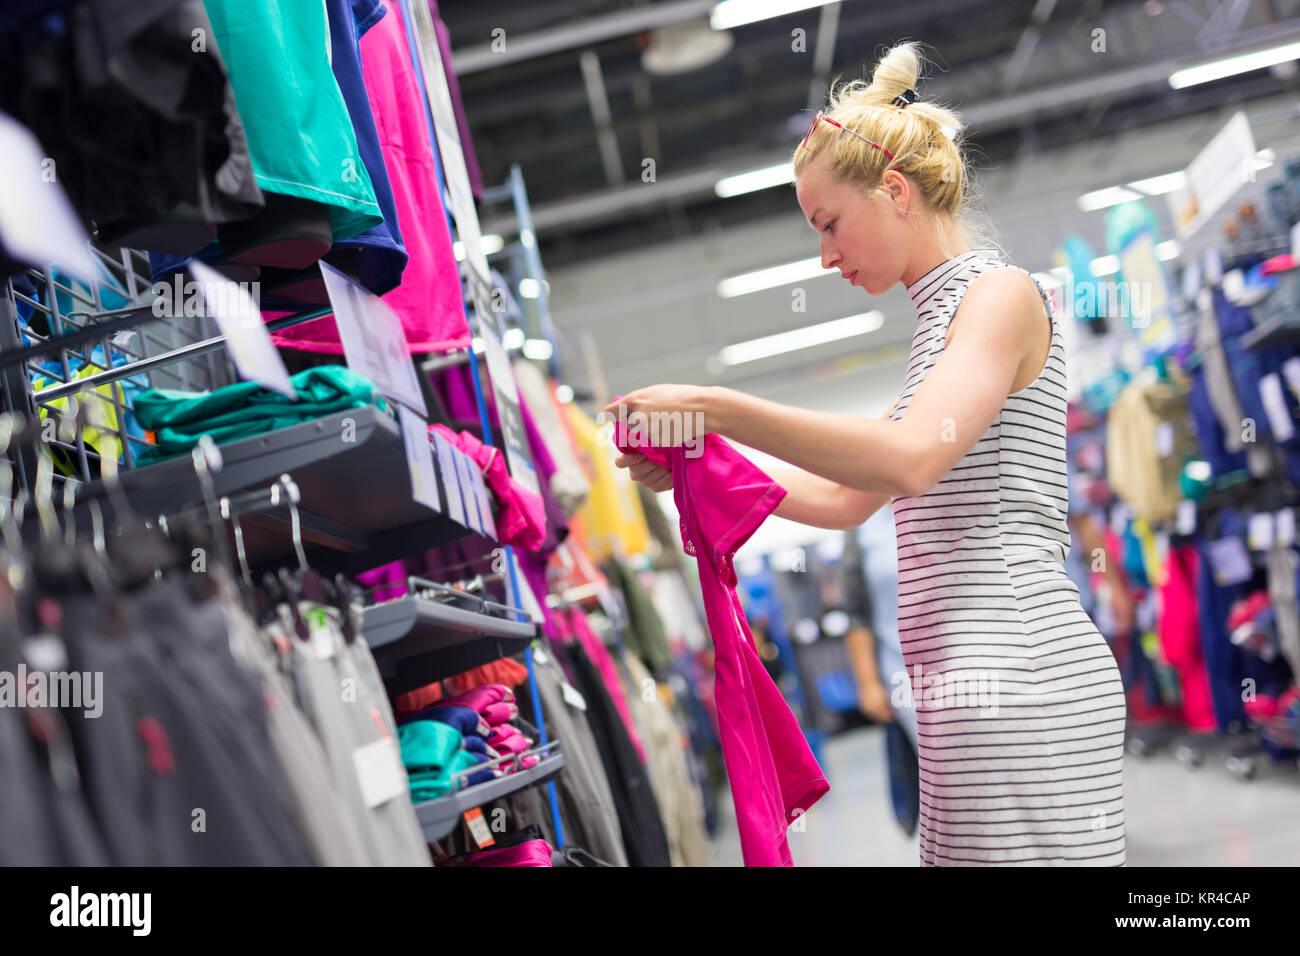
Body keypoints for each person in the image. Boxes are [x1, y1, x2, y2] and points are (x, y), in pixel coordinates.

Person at [607, 41, 1127, 866]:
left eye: (829, 224)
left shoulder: (1000, 295)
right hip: (964, 681)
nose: (825, 255)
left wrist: (713, 406)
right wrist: (694, 461)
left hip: (1019, 672)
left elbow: (908, 458)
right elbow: (844, 493)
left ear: (893, 192)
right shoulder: (943, 330)